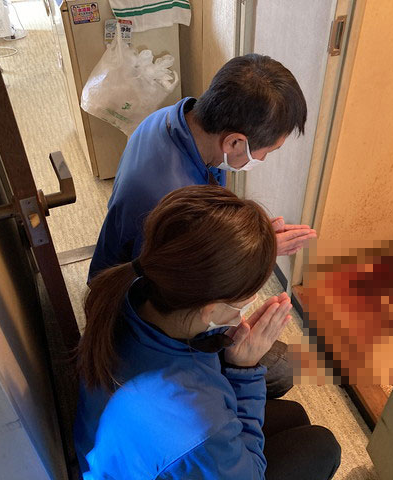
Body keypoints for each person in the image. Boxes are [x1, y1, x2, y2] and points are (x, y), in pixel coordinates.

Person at [88, 53, 317, 398]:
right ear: (234, 142)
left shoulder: (173, 119)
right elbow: (190, 297)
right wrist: (254, 258)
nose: (264, 159)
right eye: (268, 151)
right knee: (282, 369)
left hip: (132, 272)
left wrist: (251, 239)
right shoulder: (169, 194)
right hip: (147, 315)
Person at [74, 185, 341, 480]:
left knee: (295, 415)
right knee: (323, 446)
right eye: (246, 298)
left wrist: (244, 260)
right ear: (210, 311)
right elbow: (250, 476)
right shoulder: (197, 422)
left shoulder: (137, 286)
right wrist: (245, 370)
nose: (249, 303)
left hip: (133, 443)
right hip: (173, 438)